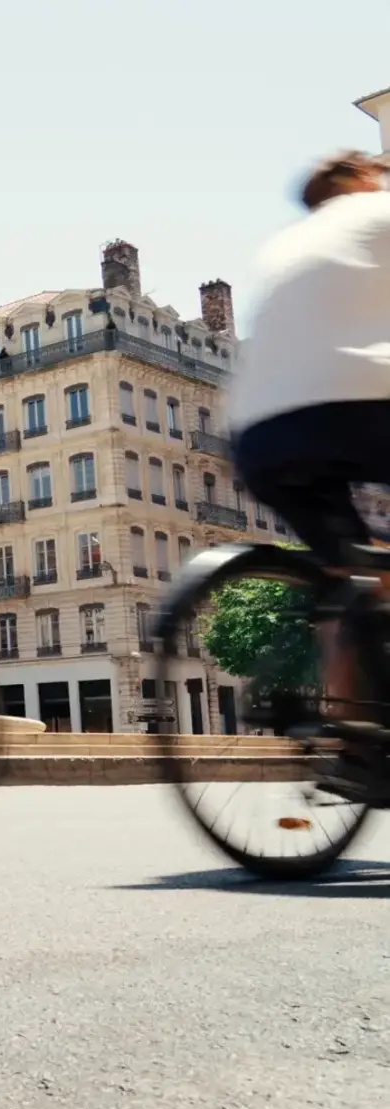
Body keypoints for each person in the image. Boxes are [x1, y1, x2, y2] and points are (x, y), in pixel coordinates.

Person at [227, 151, 390, 717]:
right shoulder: (378, 213)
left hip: (257, 436)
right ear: (364, 179)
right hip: (349, 407)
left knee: (346, 577)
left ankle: (352, 740)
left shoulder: (285, 247)